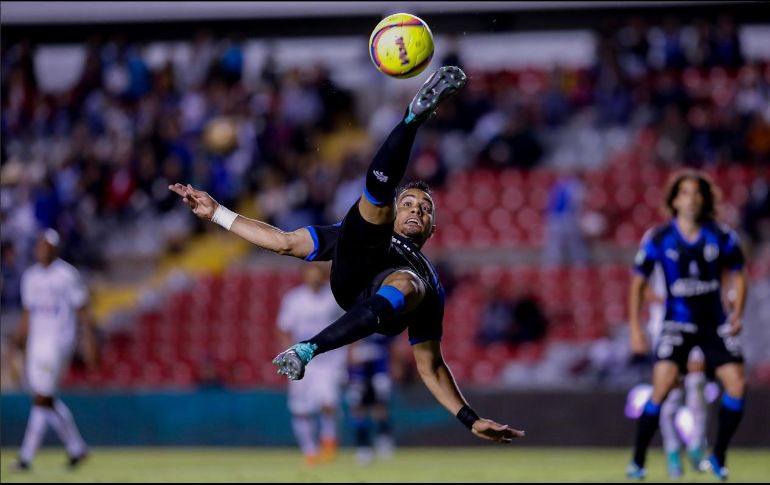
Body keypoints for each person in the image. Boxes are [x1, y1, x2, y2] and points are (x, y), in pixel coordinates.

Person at [170, 65, 525, 443]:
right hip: (358, 262)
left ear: (432, 229)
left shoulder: (430, 282)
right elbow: (283, 242)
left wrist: (470, 420)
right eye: (410, 203)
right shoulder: (368, 229)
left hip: (388, 297)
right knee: (375, 208)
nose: (417, 211)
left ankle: (309, 349)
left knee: (409, 282)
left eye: (425, 210)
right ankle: (413, 118)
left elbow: (431, 366)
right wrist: (217, 213)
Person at [626, 170, 748, 480]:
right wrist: (636, 329)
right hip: (677, 323)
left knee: (736, 384)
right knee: (663, 389)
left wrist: (737, 311)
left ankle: (716, 455)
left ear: (705, 199)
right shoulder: (658, 237)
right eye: (685, 193)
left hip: (714, 324)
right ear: (674, 200)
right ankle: (638, 460)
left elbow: (739, 271)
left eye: (697, 193)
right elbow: (637, 283)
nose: (691, 199)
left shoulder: (721, 235)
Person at [10, 229, 98, 471]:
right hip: (36, 343)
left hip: (58, 342)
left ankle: (25, 458)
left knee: (41, 398)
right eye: (40, 245)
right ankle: (77, 448)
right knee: (45, 399)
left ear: (55, 249)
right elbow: (28, 312)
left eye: (47, 245)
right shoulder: (30, 277)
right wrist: (18, 341)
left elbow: (82, 309)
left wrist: (88, 340)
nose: (42, 249)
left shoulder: (67, 275)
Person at [275, 262, 346, 466]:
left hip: (329, 360)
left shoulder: (334, 298)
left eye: (318, 274)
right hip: (302, 361)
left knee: (328, 404)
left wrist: (351, 349)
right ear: (304, 276)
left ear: (323, 276)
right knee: (301, 409)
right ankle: (309, 451)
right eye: (310, 274)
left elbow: (349, 323)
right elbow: (283, 328)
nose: (314, 278)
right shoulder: (294, 299)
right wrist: (288, 355)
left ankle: (328, 445)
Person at [645, 265, 709, 478]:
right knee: (670, 391)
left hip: (697, 323)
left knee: (697, 384)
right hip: (665, 327)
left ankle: (697, 445)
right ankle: (672, 450)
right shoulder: (657, 240)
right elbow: (641, 286)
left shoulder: (706, 239)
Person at [346, 333, 396, 465]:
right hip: (359, 370)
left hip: (379, 368)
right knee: (358, 408)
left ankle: (383, 440)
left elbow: (393, 344)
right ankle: (363, 446)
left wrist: (395, 364)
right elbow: (349, 345)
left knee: (379, 406)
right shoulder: (354, 320)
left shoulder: (383, 320)